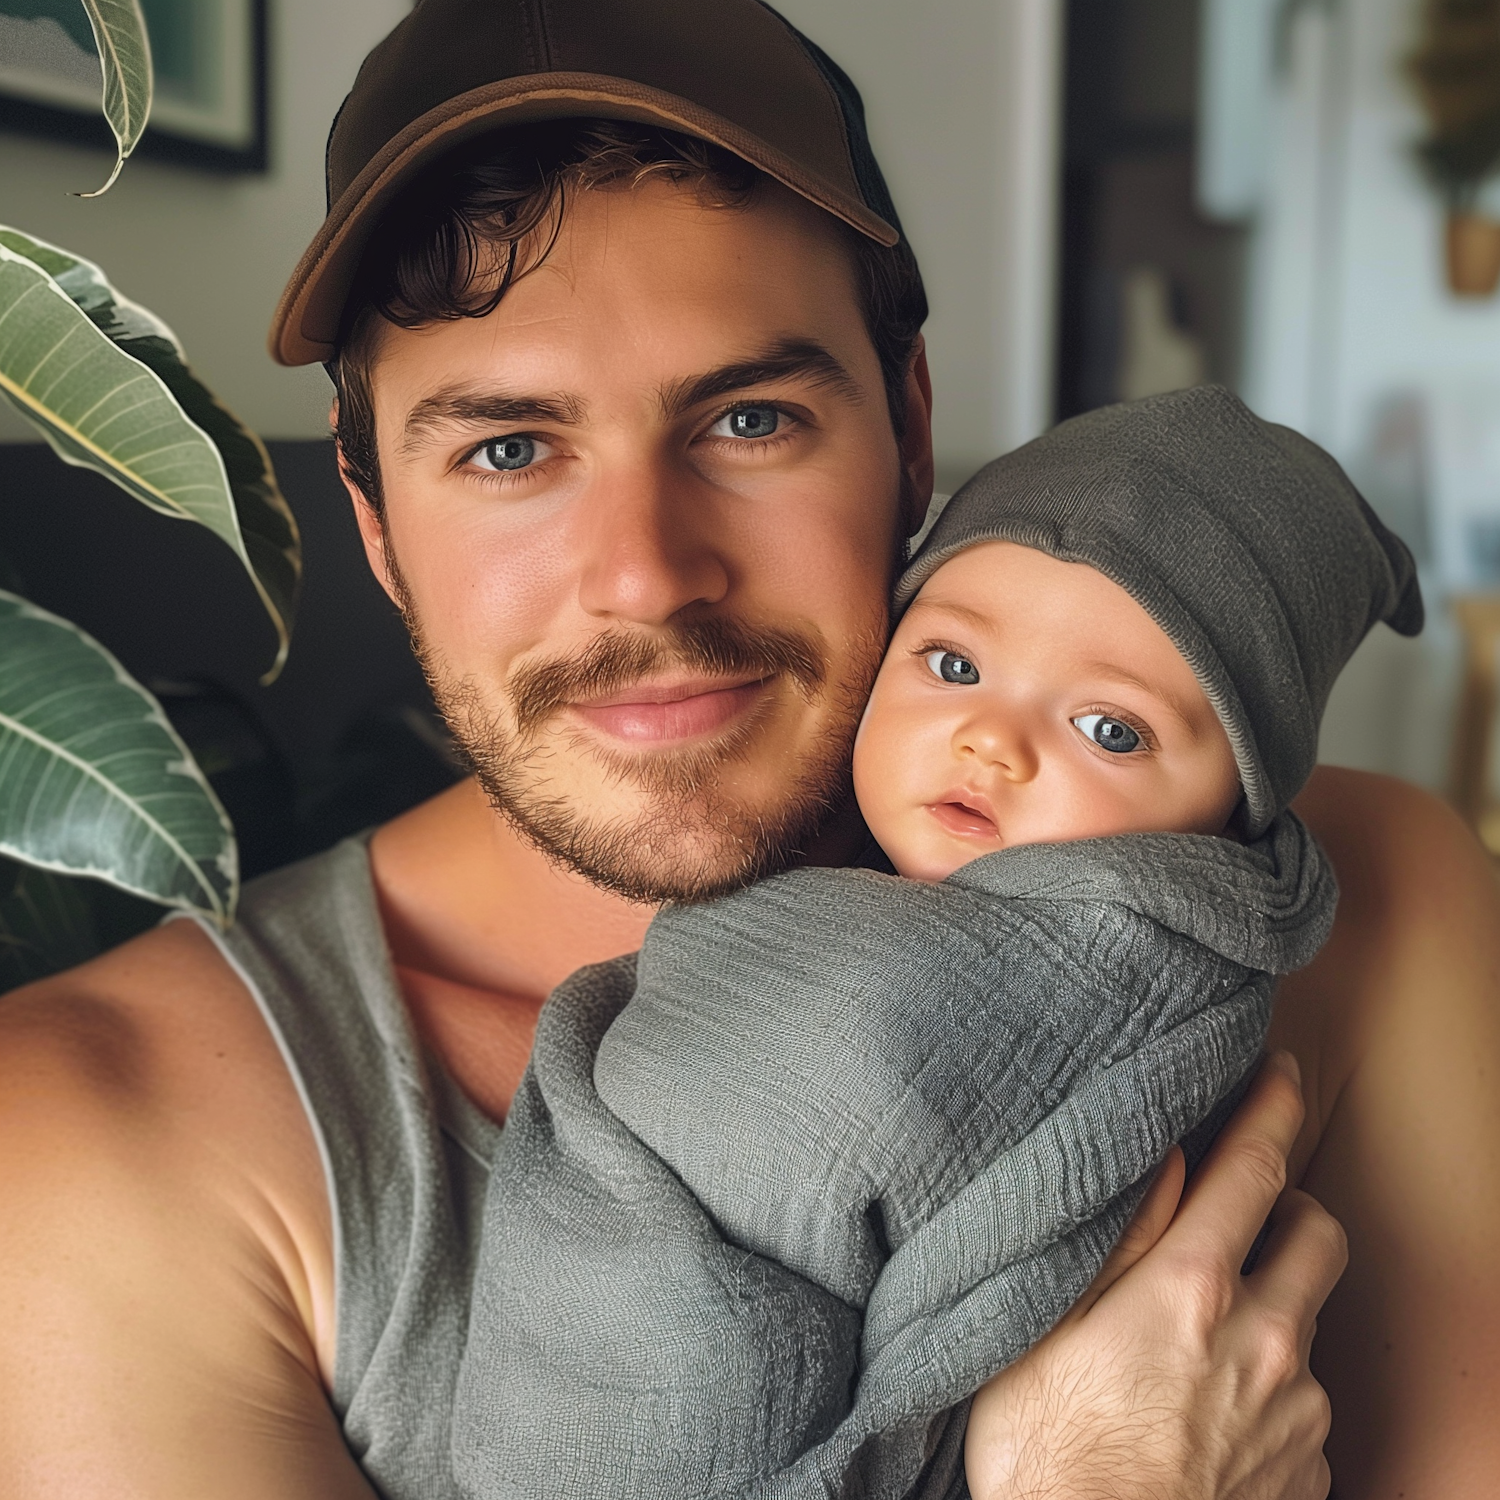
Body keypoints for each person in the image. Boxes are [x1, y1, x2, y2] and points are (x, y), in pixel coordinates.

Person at [0, 1, 1492, 1497]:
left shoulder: (1379, 898)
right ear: (378, 525)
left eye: (751, 418)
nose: (647, 572)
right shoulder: (103, 1143)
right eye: (509, 450)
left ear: (909, 433)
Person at [450, 385, 1409, 1500]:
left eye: (1111, 728)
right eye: (952, 665)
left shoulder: (1143, 956)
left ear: (1232, 822)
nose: (990, 741)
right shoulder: (802, 901)